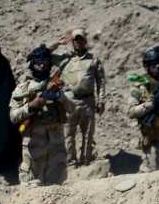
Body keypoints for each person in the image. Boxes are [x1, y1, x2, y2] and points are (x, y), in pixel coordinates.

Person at [11, 45, 75, 185]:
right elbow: (13, 116)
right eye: (38, 63)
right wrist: (29, 107)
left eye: (45, 63)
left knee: (56, 187)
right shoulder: (23, 88)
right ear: (32, 65)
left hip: (56, 146)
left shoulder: (60, 86)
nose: (41, 66)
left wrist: (58, 95)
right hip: (33, 146)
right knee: (31, 185)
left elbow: (72, 108)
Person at [59, 28, 105, 166]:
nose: (78, 42)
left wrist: (101, 100)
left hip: (88, 101)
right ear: (72, 41)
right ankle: (72, 162)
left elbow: (101, 81)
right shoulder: (65, 60)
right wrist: (57, 43)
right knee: (68, 134)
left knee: (88, 134)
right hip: (69, 101)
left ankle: (86, 160)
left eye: (81, 39)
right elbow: (44, 55)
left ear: (85, 41)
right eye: (76, 39)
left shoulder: (93, 60)